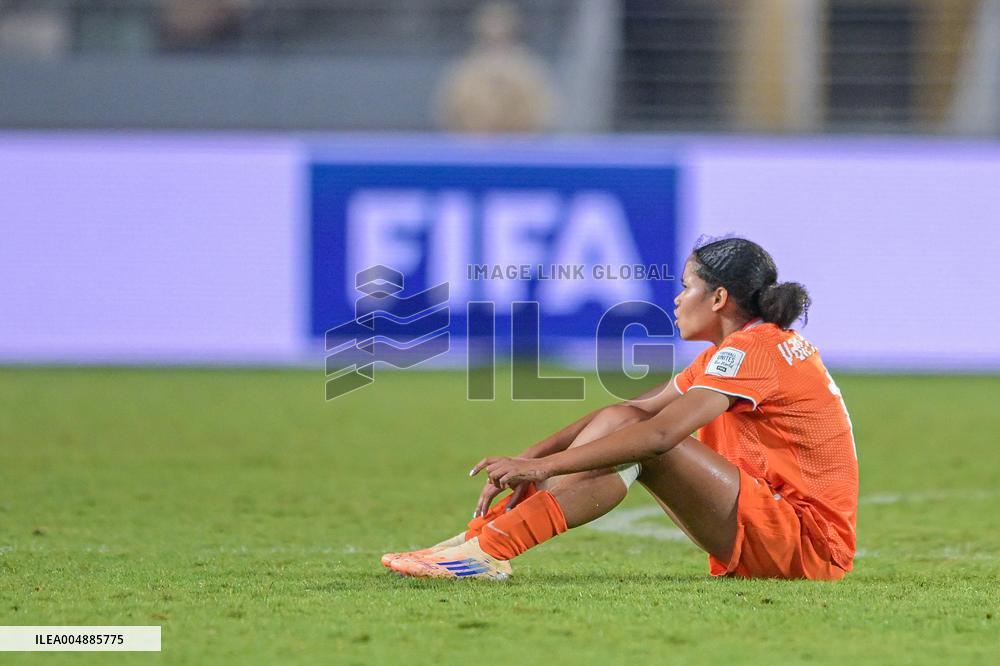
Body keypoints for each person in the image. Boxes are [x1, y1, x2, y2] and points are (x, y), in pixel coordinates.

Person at [382, 237, 858, 580]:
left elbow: (657, 438)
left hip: (806, 547)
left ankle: (488, 550)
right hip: (781, 529)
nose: (676, 297)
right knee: (624, 423)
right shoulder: (739, 351)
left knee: (645, 445)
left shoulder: (751, 352)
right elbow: (630, 411)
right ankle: (480, 540)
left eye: (686, 286)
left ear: (718, 298)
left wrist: (542, 465)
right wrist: (529, 456)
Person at [434, 1, 557, 133]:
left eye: (502, 28)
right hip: (474, 146)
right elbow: (446, 114)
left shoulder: (530, 71)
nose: (496, 31)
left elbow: (546, 113)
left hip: (520, 146)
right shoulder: (464, 72)